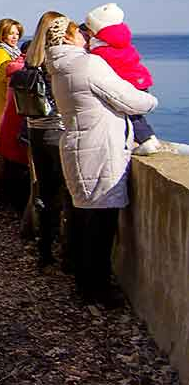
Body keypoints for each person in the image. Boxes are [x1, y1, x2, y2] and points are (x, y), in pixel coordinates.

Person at [46, 17, 157, 306]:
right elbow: (128, 99)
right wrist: (150, 100)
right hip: (98, 151)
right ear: (69, 38)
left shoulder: (58, 66)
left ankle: (84, 283)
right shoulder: (88, 65)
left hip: (77, 146)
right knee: (101, 224)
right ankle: (96, 289)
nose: (85, 35)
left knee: (84, 219)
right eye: (78, 31)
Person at [19, 11, 72, 268]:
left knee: (46, 192)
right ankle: (68, 251)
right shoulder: (60, 59)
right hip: (58, 130)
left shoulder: (31, 57)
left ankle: (44, 250)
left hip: (35, 130)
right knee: (69, 194)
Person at [85, 3, 159, 155]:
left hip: (127, 81)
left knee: (130, 113)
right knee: (135, 114)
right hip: (138, 78)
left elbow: (101, 63)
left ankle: (146, 140)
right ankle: (149, 138)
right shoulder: (119, 40)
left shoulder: (101, 48)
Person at [0, 40, 31, 214]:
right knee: (20, 170)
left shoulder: (14, 68)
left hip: (8, 122)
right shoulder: (27, 72)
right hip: (21, 125)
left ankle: (5, 203)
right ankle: (17, 208)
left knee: (9, 166)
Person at [0, 18, 23, 138]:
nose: (15, 37)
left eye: (17, 34)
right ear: (2, 35)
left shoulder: (14, 52)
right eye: (11, 34)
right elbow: (2, 75)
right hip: (5, 104)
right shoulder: (0, 53)